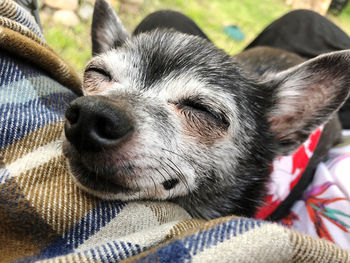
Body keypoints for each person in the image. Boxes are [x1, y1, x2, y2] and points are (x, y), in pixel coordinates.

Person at [1, 1, 350, 261]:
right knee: (303, 23)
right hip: (249, 72)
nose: (101, 109)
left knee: (297, 21)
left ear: (281, 125)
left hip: (262, 75)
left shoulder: (272, 120)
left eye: (201, 110)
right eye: (103, 76)